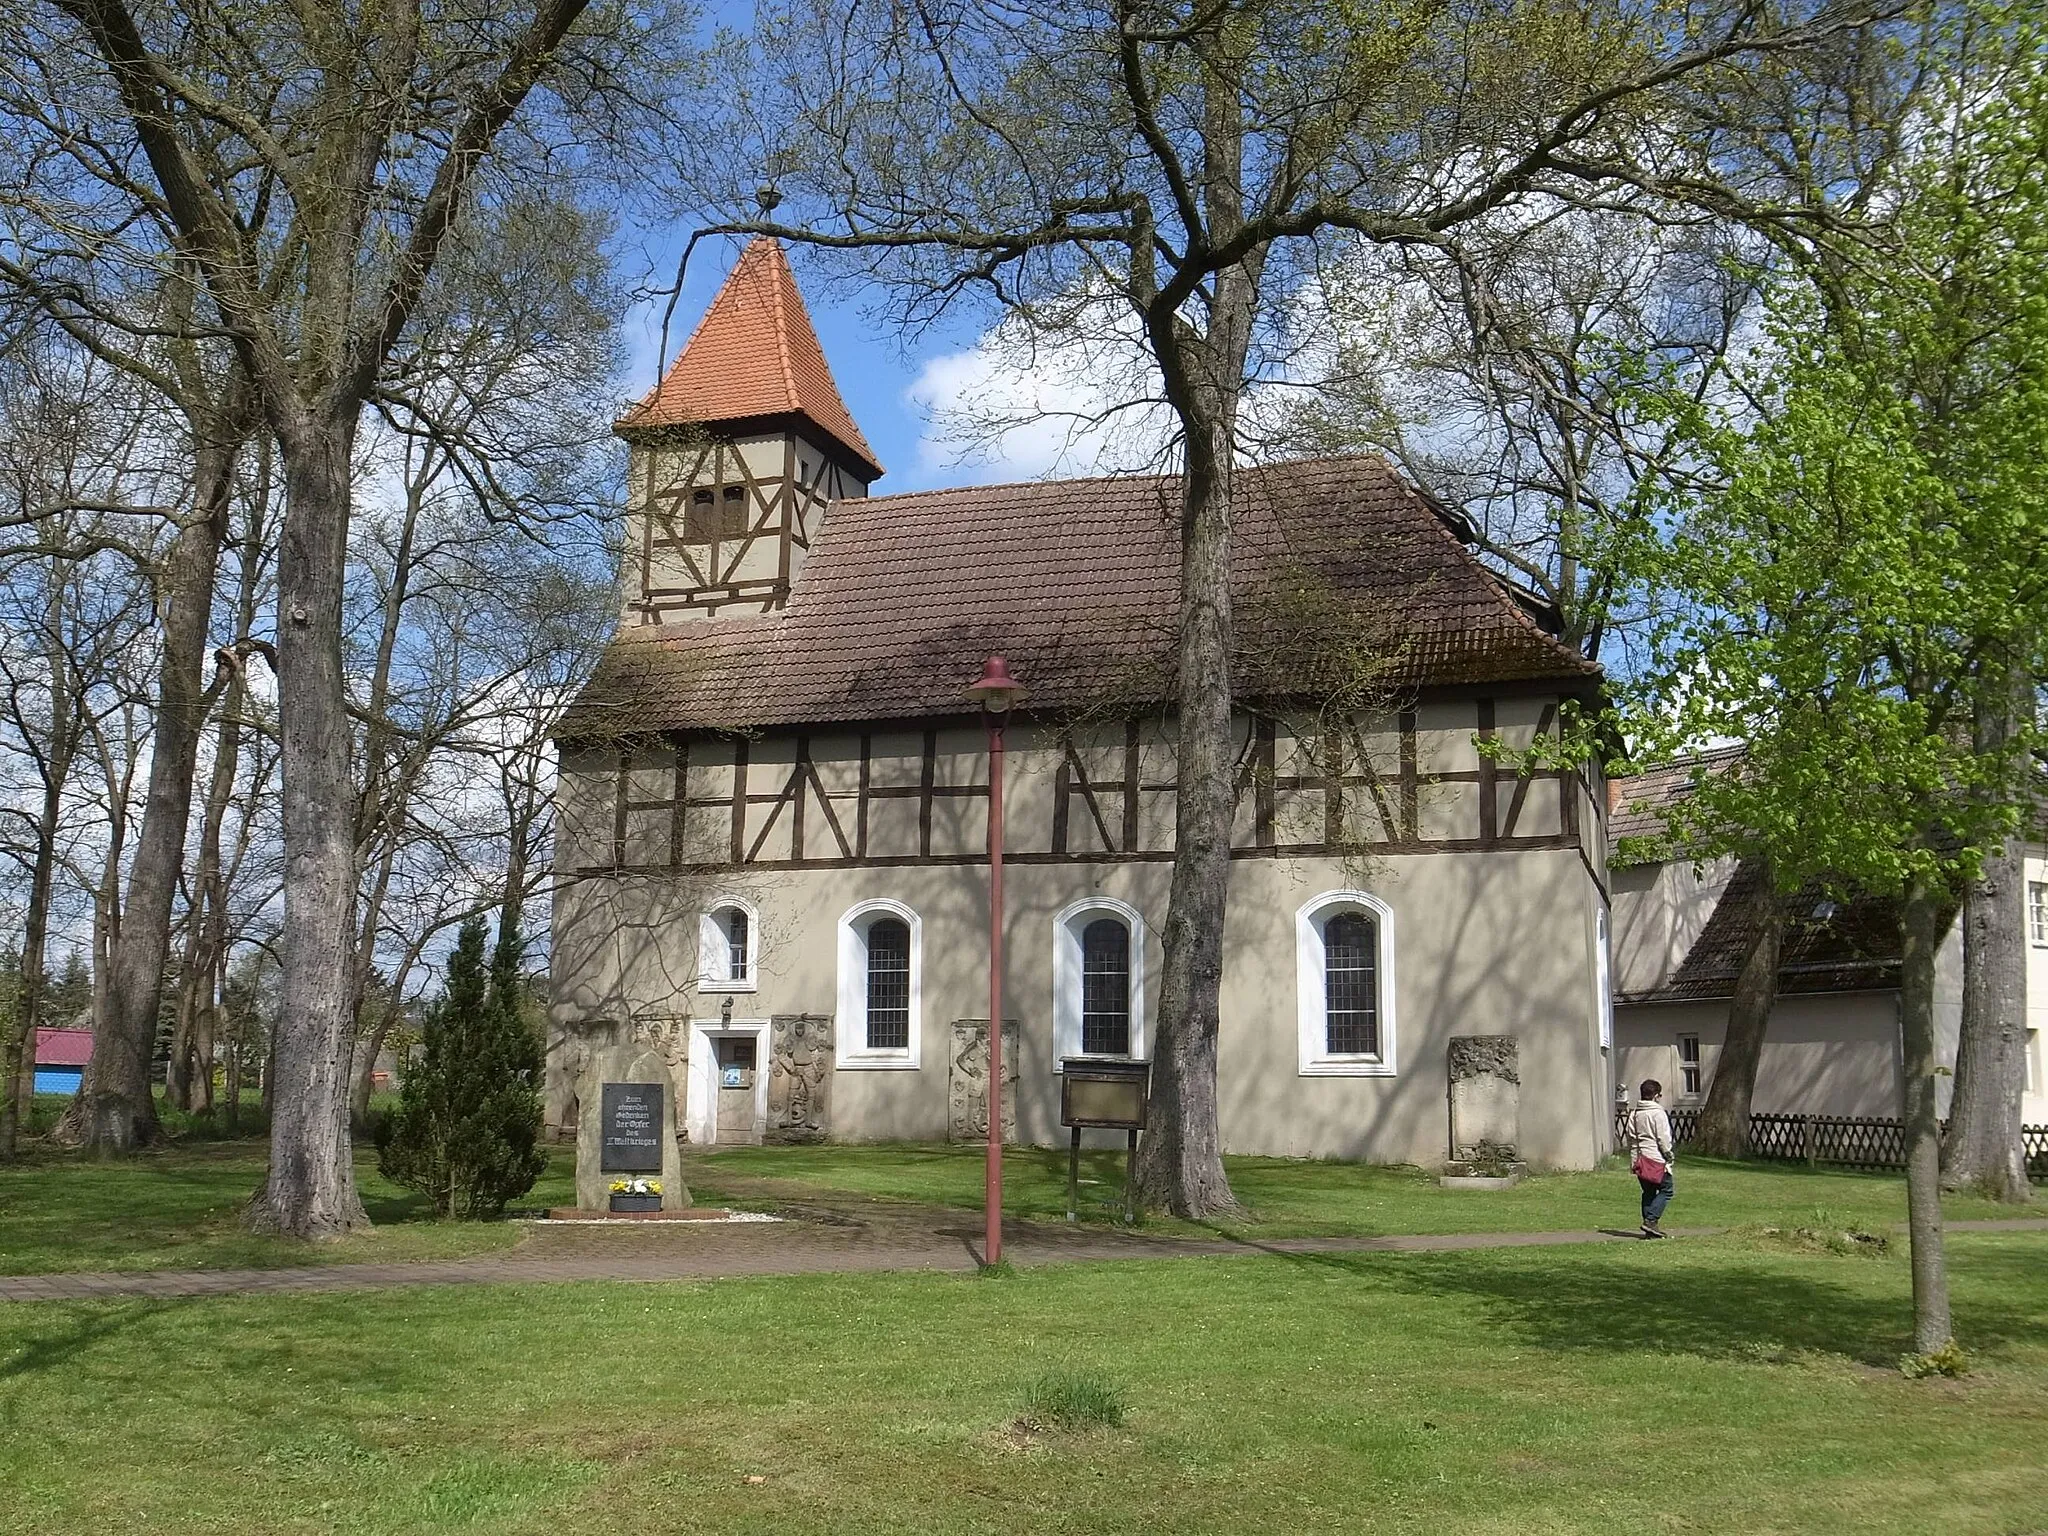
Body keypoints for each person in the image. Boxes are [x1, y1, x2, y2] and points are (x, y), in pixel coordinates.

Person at [1627, 1079, 1676, 1238]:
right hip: (1655, 1159)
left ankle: (1650, 1230)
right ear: (1655, 1096)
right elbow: (1663, 1138)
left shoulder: (1634, 1114)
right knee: (1666, 1190)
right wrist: (1668, 1155)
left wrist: (1634, 1159)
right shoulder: (1657, 1113)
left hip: (1639, 1159)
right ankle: (1651, 1220)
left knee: (1648, 1192)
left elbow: (1631, 1138)